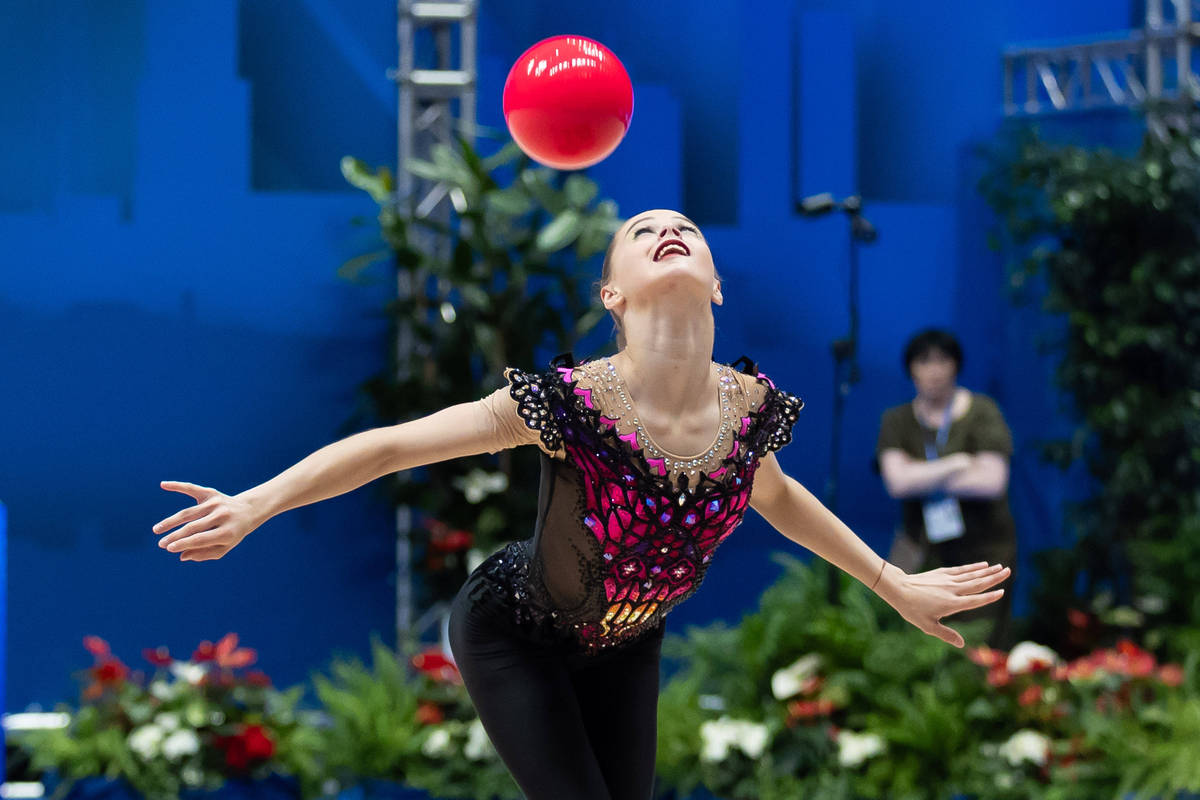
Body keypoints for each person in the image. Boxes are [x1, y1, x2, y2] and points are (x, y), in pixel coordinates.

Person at [154, 211, 1010, 800]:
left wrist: (894, 582)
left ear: (715, 284)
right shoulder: (568, 403)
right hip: (514, 631)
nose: (668, 232)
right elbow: (392, 446)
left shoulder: (748, 410)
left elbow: (777, 497)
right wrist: (255, 504)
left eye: (686, 230)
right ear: (613, 294)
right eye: (642, 233)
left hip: (627, 643)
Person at [876, 328, 1017, 647]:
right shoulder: (896, 420)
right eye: (924, 361)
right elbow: (897, 482)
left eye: (943, 360)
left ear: (956, 365)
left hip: (984, 550)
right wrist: (956, 464)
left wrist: (918, 472)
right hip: (921, 549)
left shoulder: (982, 411)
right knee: (921, 642)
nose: (934, 370)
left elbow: (991, 481)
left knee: (981, 644)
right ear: (911, 367)